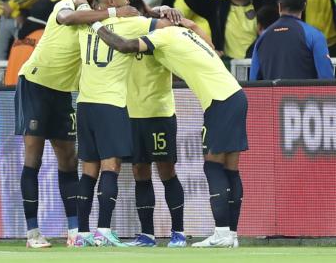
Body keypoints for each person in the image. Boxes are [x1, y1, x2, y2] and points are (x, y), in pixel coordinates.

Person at [94, 15, 248, 248]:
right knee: (230, 169)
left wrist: (95, 23)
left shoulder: (163, 37)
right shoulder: (186, 34)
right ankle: (231, 235)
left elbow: (124, 46)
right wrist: (185, 21)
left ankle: (222, 233)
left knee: (214, 166)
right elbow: (212, 47)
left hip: (220, 100)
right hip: (235, 94)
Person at [14, 0, 140, 247]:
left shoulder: (101, 24)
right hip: (36, 84)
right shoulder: (68, 5)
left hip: (63, 94)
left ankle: (74, 231)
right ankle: (33, 233)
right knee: (33, 158)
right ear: (109, 0)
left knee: (69, 161)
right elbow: (68, 19)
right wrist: (106, 5)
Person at [73, 0, 158, 248]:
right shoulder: (130, 22)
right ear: (111, 1)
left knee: (88, 170)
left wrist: (101, 3)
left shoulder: (84, 22)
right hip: (110, 104)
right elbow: (162, 27)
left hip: (85, 103)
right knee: (111, 167)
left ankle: (82, 234)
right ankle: (104, 230)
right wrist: (164, 10)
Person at [123, 0, 186, 248]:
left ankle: (178, 233)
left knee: (166, 171)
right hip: (130, 115)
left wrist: (166, 13)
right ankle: (146, 235)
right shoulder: (119, 36)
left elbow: (179, 31)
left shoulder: (159, 34)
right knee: (139, 172)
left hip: (159, 113)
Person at [185, 0, 270, 67]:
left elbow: (272, 25)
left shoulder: (261, 7)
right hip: (227, 65)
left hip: (255, 63)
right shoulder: (217, 7)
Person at [250, 0, 334, 80]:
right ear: (304, 6)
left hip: (272, 95)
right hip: (307, 95)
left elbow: (253, 81)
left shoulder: (262, 38)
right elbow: (326, 78)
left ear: (280, 6)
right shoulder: (314, 35)